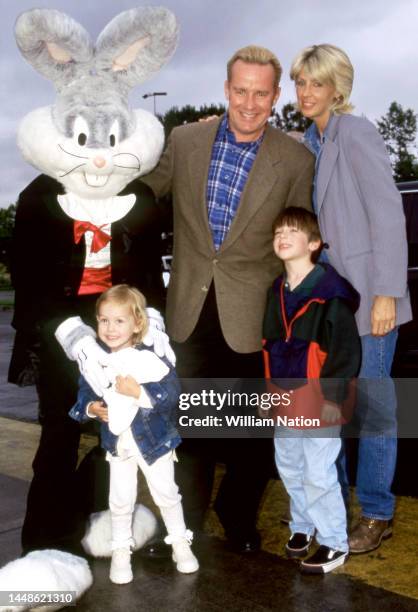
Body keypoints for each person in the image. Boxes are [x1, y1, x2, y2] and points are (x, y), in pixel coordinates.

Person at [141, 45, 315, 553]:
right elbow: (146, 192)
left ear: (276, 97)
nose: (249, 103)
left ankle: (237, 513)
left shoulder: (295, 158)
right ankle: (185, 523)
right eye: (240, 90)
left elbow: (299, 236)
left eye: (261, 94)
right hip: (190, 311)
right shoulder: (186, 139)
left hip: (254, 312)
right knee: (188, 427)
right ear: (226, 88)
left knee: (252, 434)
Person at [290, 44, 411, 553]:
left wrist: (388, 293)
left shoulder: (356, 133)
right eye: (300, 83)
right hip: (331, 305)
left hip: (370, 299)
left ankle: (378, 512)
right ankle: (334, 506)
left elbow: (388, 215)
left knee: (374, 410)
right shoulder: (308, 142)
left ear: (338, 87)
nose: (307, 92)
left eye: (317, 83)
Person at [69, 285, 199, 584]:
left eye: (119, 321)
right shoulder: (95, 363)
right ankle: (121, 553)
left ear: (138, 324)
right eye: (103, 320)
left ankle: (180, 545)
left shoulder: (152, 361)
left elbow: (171, 395)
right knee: (119, 499)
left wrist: (139, 392)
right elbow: (83, 396)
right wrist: (91, 408)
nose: (110, 328)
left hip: (155, 443)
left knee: (166, 493)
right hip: (118, 445)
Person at [263, 206, 361, 573]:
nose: (283, 237)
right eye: (277, 232)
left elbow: (345, 351)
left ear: (315, 243)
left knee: (319, 471)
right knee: (289, 464)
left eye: (292, 231)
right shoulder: (276, 290)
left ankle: (334, 541)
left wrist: (335, 398)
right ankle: (303, 525)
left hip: (321, 399)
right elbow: (269, 345)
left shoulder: (330, 295)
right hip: (286, 396)